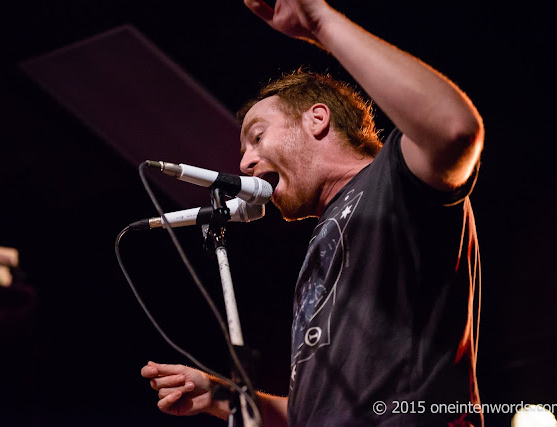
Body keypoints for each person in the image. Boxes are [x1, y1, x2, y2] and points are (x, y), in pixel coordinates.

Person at [141, 0, 484, 425]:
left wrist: (319, 23)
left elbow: (456, 128)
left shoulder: (394, 179)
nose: (245, 163)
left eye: (258, 137)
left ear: (317, 120)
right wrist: (226, 398)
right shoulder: (325, 238)